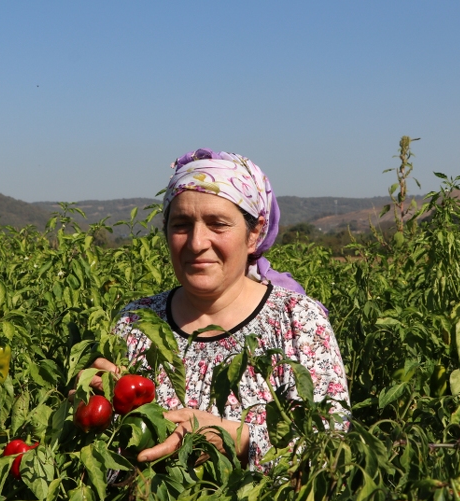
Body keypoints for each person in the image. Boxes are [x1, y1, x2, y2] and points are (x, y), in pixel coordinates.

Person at [88, 148, 350, 472]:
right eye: (181, 224)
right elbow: (107, 465)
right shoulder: (136, 322)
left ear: (254, 233)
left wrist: (236, 440)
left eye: (218, 224)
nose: (197, 242)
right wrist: (94, 415)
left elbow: (329, 450)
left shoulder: (299, 320)